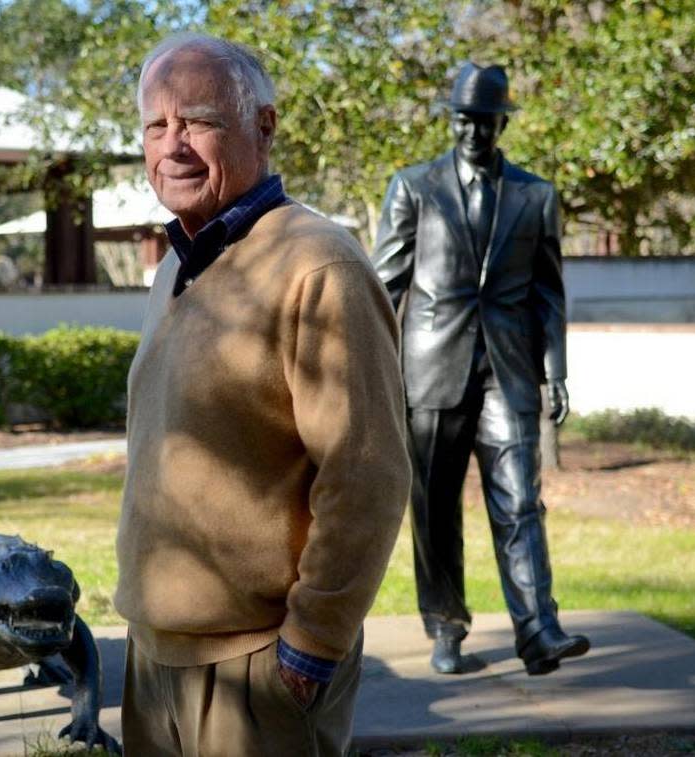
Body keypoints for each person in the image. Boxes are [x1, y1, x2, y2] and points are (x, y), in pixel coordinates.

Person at [113, 33, 411, 755]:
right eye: (157, 125)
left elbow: (366, 473)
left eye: (200, 121)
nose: (173, 145)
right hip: (154, 658)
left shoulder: (320, 264)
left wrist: (311, 645)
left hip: (256, 667)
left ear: (264, 127)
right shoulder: (171, 270)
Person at [371, 63, 590, 676]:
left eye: (483, 120)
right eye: (462, 119)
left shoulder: (535, 195)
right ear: (452, 120)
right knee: (435, 509)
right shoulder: (414, 187)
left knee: (522, 501)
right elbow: (383, 285)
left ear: (502, 122)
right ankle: (445, 625)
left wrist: (556, 369)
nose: (472, 130)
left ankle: (538, 628)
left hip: (510, 370)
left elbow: (548, 291)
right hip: (431, 370)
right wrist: (370, 369)